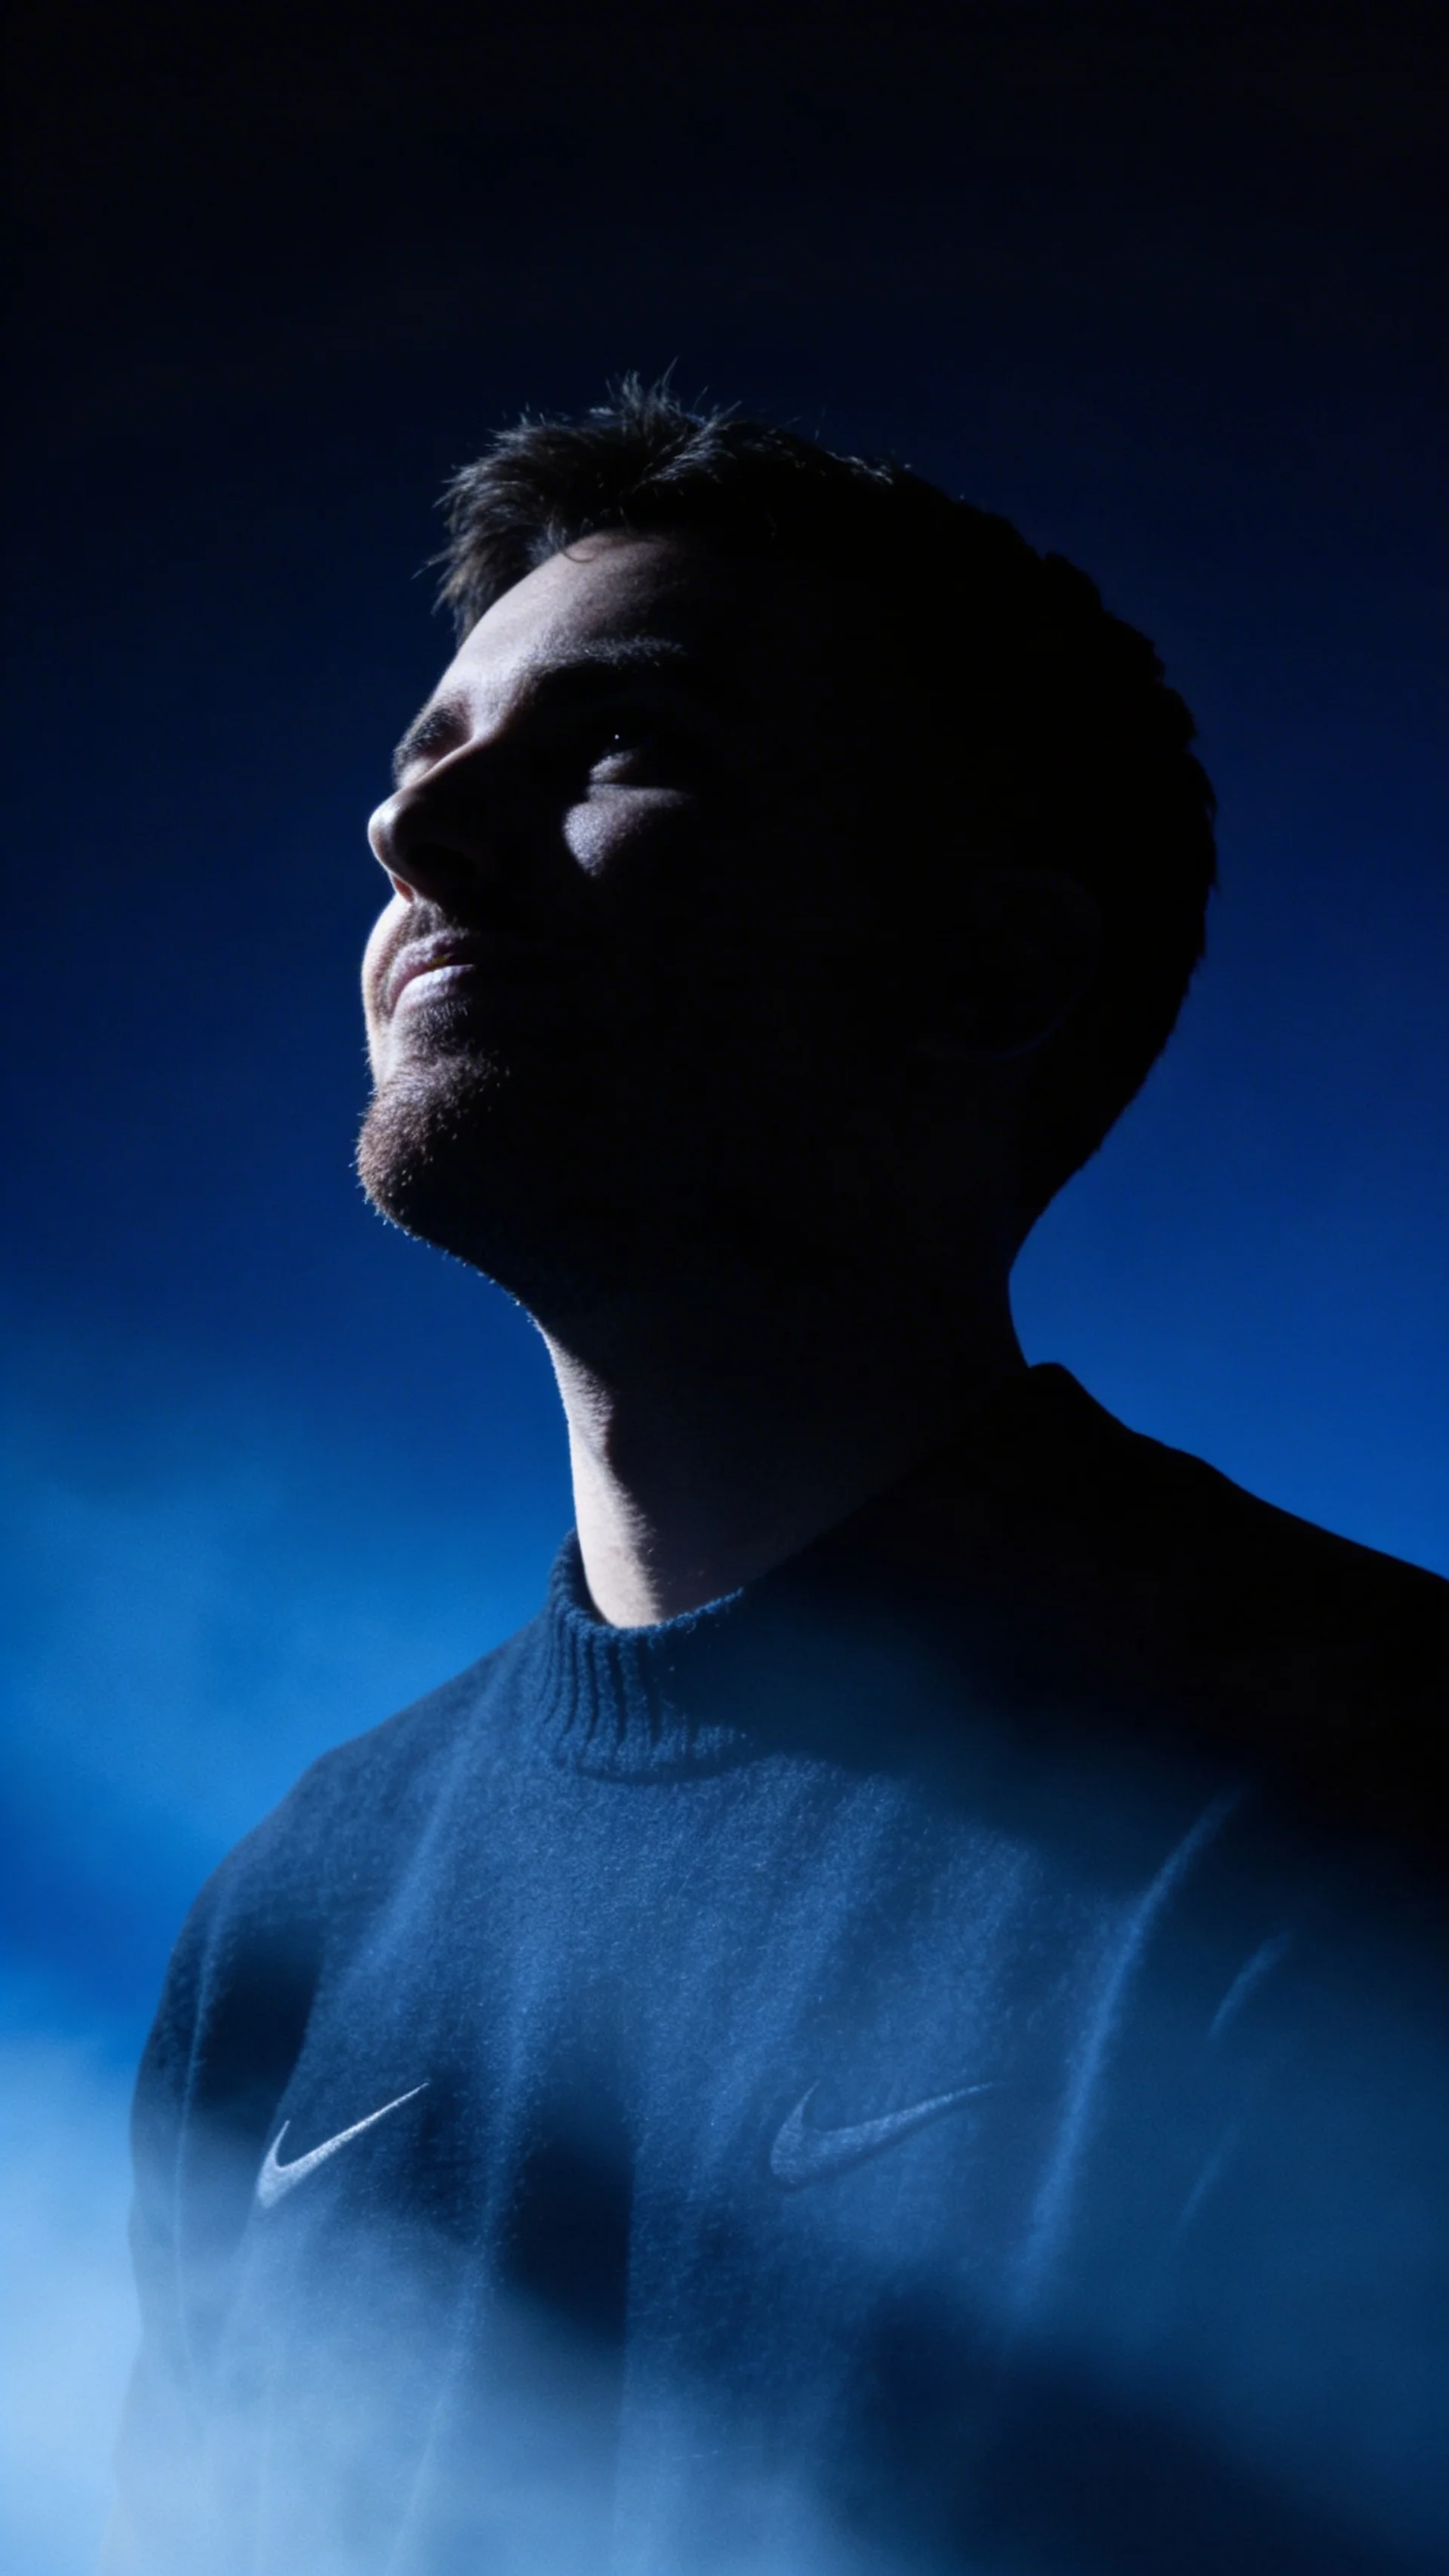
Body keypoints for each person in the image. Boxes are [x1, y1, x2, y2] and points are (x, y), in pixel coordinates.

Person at [109, 381, 1447, 2576]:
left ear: (991, 968)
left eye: (621, 748)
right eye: (422, 765)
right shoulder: (286, 1926)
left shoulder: (1373, 1776)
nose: (409, 841)